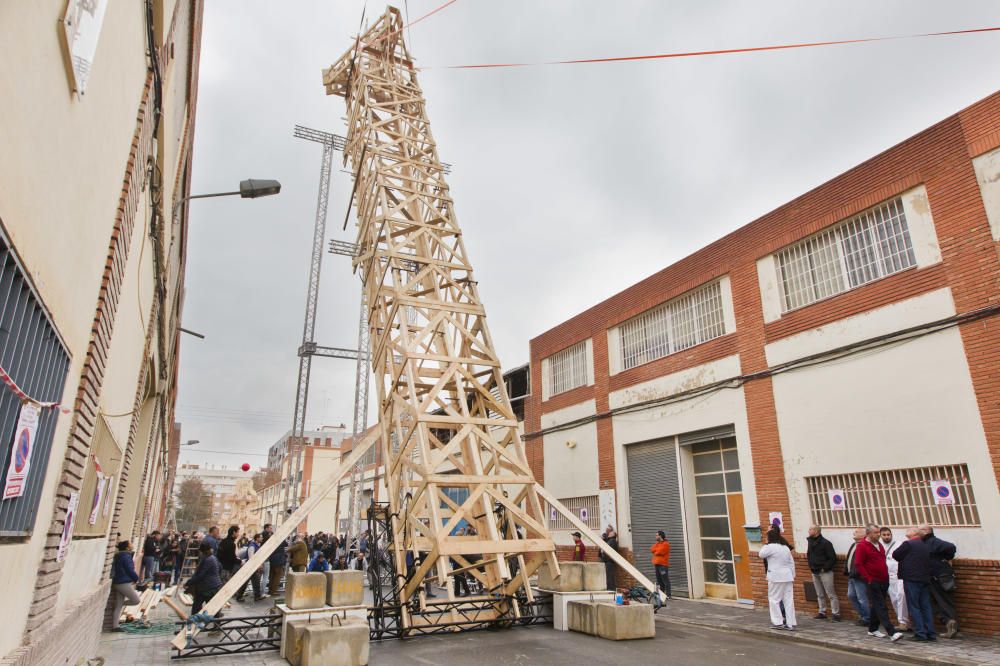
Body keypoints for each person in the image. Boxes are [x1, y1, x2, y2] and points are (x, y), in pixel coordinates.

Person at [855, 524, 903, 641]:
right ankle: (892, 632)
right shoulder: (862, 546)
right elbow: (859, 564)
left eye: (878, 532)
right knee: (881, 606)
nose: (878, 535)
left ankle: (872, 629)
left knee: (877, 605)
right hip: (873, 580)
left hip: (884, 579)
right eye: (876, 533)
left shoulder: (879, 545)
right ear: (869, 534)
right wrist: (869, 578)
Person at [892, 527, 938, 642]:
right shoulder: (925, 545)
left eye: (909, 531)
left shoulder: (908, 544)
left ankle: (920, 633)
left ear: (913, 534)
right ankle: (931, 633)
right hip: (925, 579)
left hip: (912, 579)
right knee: (926, 606)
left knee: (914, 606)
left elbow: (896, 555)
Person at [919, 524, 959, 638]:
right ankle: (949, 623)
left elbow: (950, 547)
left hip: (940, 578)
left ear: (927, 531)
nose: (918, 532)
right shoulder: (926, 543)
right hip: (933, 577)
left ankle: (951, 624)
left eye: (920, 530)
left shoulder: (933, 542)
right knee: (935, 602)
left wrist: (947, 557)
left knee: (944, 601)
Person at [758, 529, 796, 630]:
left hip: (776, 577)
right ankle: (790, 623)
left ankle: (778, 622)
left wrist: (766, 544)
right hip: (787, 576)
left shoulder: (770, 547)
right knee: (788, 600)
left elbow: (761, 554)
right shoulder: (785, 548)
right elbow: (791, 563)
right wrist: (793, 575)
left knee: (774, 600)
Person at [806, 525, 840, 621]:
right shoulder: (810, 542)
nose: (808, 531)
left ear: (816, 531)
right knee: (819, 593)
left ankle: (836, 613)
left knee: (831, 593)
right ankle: (822, 611)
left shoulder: (826, 543)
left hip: (825, 572)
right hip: (814, 571)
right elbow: (809, 555)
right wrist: (811, 566)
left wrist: (824, 568)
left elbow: (832, 558)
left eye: (810, 529)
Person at [880, 527, 909, 630]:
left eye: (888, 534)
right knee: (894, 600)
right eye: (884, 535)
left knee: (901, 596)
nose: (887, 536)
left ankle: (903, 621)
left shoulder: (899, 544)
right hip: (888, 576)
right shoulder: (879, 546)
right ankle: (902, 621)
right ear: (880, 535)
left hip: (900, 575)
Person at [110, 540, 141, 632]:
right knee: (136, 600)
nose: (132, 544)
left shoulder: (120, 555)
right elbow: (129, 570)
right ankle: (115, 625)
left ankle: (115, 627)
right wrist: (136, 579)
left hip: (118, 581)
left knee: (118, 606)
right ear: (127, 547)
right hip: (123, 582)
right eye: (131, 543)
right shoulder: (126, 556)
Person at [186, 542, 223, 616]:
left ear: (203, 551)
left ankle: (196, 619)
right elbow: (220, 567)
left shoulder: (208, 559)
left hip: (208, 587)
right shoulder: (211, 557)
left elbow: (200, 575)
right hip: (212, 585)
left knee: (197, 606)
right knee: (210, 606)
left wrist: (189, 582)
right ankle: (216, 619)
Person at [845, 527, 870, 626]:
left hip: (859, 577)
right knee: (851, 595)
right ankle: (862, 615)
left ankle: (867, 618)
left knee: (862, 598)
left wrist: (859, 573)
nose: (854, 533)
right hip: (851, 576)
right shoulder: (853, 545)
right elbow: (849, 559)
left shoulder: (864, 546)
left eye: (857, 531)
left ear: (864, 535)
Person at [650, 530, 671, 600]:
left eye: (656, 535)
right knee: (659, 581)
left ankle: (668, 595)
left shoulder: (666, 544)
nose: (655, 536)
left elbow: (659, 552)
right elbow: (652, 549)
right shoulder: (658, 544)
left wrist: (656, 551)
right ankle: (662, 595)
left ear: (660, 536)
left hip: (663, 565)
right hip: (657, 564)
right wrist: (656, 550)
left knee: (665, 580)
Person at [600, 525, 619, 591]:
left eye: (610, 533)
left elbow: (610, 551)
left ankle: (611, 588)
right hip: (607, 560)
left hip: (609, 561)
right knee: (608, 575)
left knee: (610, 575)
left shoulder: (612, 541)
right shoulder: (609, 540)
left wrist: (606, 558)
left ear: (613, 535)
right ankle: (609, 587)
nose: (608, 533)